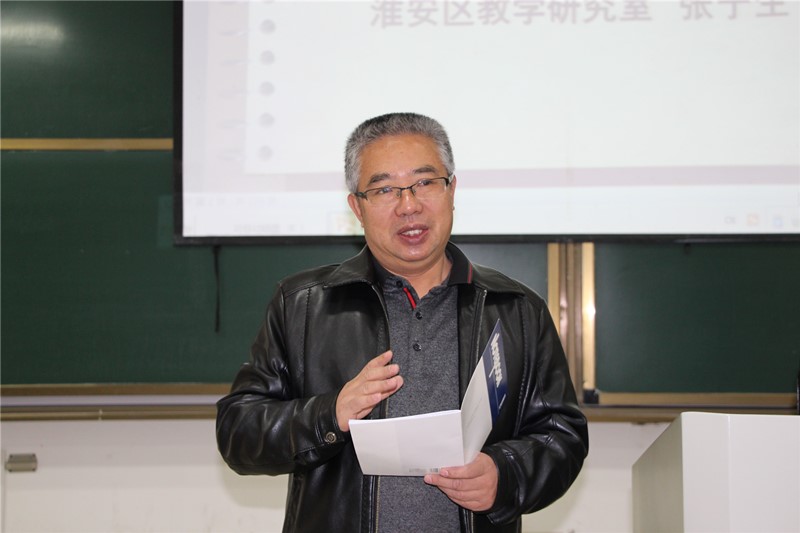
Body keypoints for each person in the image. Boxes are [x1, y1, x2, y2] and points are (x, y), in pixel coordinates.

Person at [216, 112, 589, 533]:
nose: (409, 205)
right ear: (357, 207)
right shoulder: (303, 305)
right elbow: (237, 432)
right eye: (384, 189)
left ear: (452, 190)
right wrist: (330, 414)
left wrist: (506, 475)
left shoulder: (515, 309)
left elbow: (563, 436)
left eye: (425, 182)